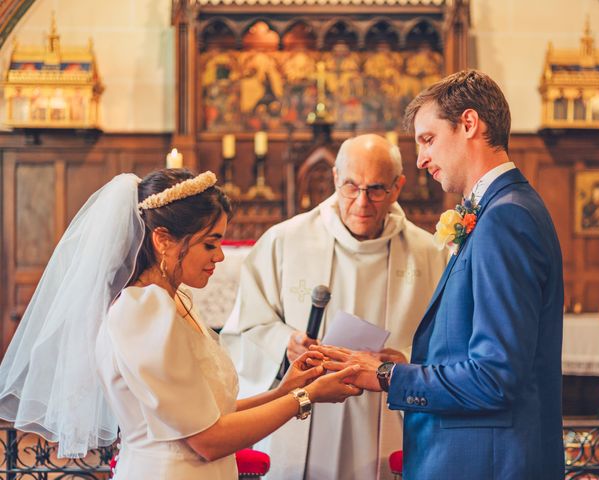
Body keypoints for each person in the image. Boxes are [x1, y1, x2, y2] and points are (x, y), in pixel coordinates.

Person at [0, 168, 362, 479]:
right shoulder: (143, 312)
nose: (220, 255)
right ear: (163, 240)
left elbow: (203, 414)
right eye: (209, 244)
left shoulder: (170, 301)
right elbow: (207, 440)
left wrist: (284, 391)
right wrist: (306, 397)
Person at [316, 70, 565, 479]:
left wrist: (384, 376)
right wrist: (409, 364)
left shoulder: (505, 218)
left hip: (487, 463)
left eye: (428, 139)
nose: (420, 160)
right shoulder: (501, 210)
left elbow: (495, 377)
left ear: (469, 124)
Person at [221, 134, 448, 480]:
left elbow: (449, 339)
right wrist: (286, 342)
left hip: (386, 410)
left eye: (376, 189)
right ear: (334, 180)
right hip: (304, 409)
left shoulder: (429, 253)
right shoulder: (284, 241)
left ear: (398, 187)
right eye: (350, 187)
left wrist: (405, 360)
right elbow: (246, 327)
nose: (361, 202)